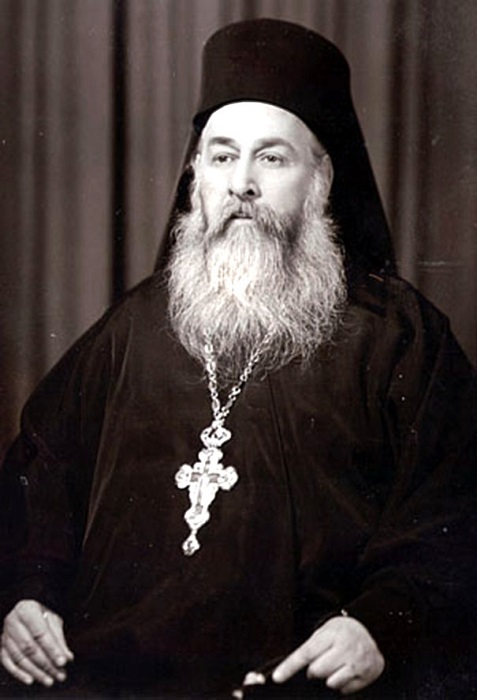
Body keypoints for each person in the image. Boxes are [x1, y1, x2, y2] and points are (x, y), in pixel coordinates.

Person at [0, 17, 476, 699]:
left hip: (297, 682)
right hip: (112, 679)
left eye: (272, 158)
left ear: (321, 179)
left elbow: (451, 511)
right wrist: (29, 591)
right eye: (222, 156)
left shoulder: (399, 337)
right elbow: (41, 473)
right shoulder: (134, 326)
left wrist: (379, 624)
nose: (241, 183)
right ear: (196, 175)